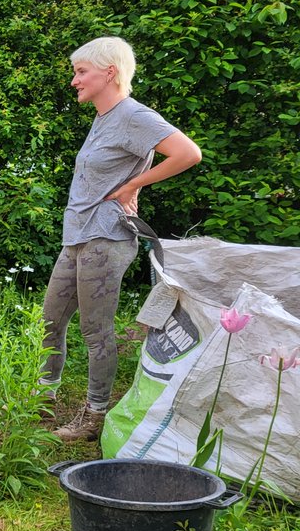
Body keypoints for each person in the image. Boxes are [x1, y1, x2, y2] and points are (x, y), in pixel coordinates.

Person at [41, 36, 202, 441]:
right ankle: (42, 399)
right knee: (49, 321)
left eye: (81, 72)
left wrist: (134, 186)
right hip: (77, 236)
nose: (74, 81)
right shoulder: (103, 117)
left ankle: (95, 414)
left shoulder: (134, 115)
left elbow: (187, 153)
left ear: (109, 72)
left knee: (96, 331)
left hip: (106, 238)